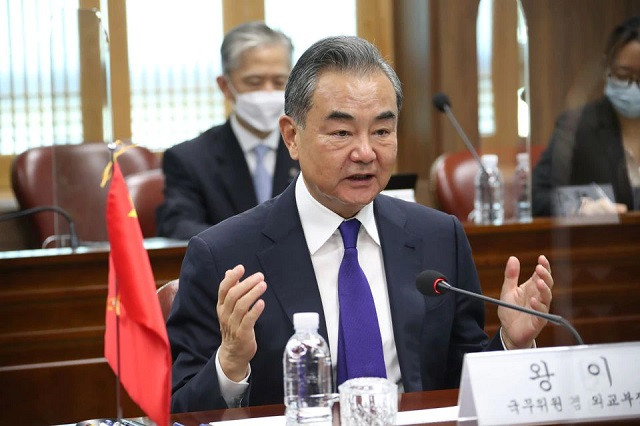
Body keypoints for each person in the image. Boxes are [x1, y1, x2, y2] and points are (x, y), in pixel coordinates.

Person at [167, 35, 554, 413]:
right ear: (292, 136)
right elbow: (180, 409)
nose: (366, 152)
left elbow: (460, 382)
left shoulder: (439, 237)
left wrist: (510, 343)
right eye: (342, 132)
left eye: (382, 131)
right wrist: (231, 364)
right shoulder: (223, 254)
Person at [156, 22, 300, 239]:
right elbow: (178, 225)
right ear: (225, 86)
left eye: (279, 82)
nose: (268, 92)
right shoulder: (189, 159)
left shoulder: (310, 149)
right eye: (254, 82)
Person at [532, 16, 640, 217]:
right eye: (624, 75)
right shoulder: (577, 125)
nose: (633, 86)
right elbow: (537, 197)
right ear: (607, 68)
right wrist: (580, 208)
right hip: (606, 243)